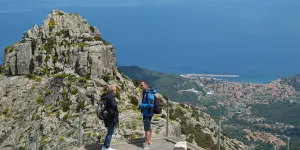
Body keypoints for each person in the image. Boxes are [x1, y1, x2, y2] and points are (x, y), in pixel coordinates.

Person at [138, 80, 156, 148]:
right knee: (148, 127)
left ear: (146, 85)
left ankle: (146, 144)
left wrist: (142, 105)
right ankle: (148, 141)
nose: (141, 87)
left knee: (147, 129)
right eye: (140, 85)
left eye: (142, 85)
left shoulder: (149, 93)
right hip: (147, 113)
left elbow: (151, 105)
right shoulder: (145, 92)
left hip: (148, 113)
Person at [101, 84, 119, 150]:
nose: (116, 91)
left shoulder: (105, 96)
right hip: (111, 116)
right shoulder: (111, 97)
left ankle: (104, 146)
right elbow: (114, 106)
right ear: (113, 90)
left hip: (106, 116)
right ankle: (107, 147)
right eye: (115, 90)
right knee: (110, 132)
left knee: (109, 132)